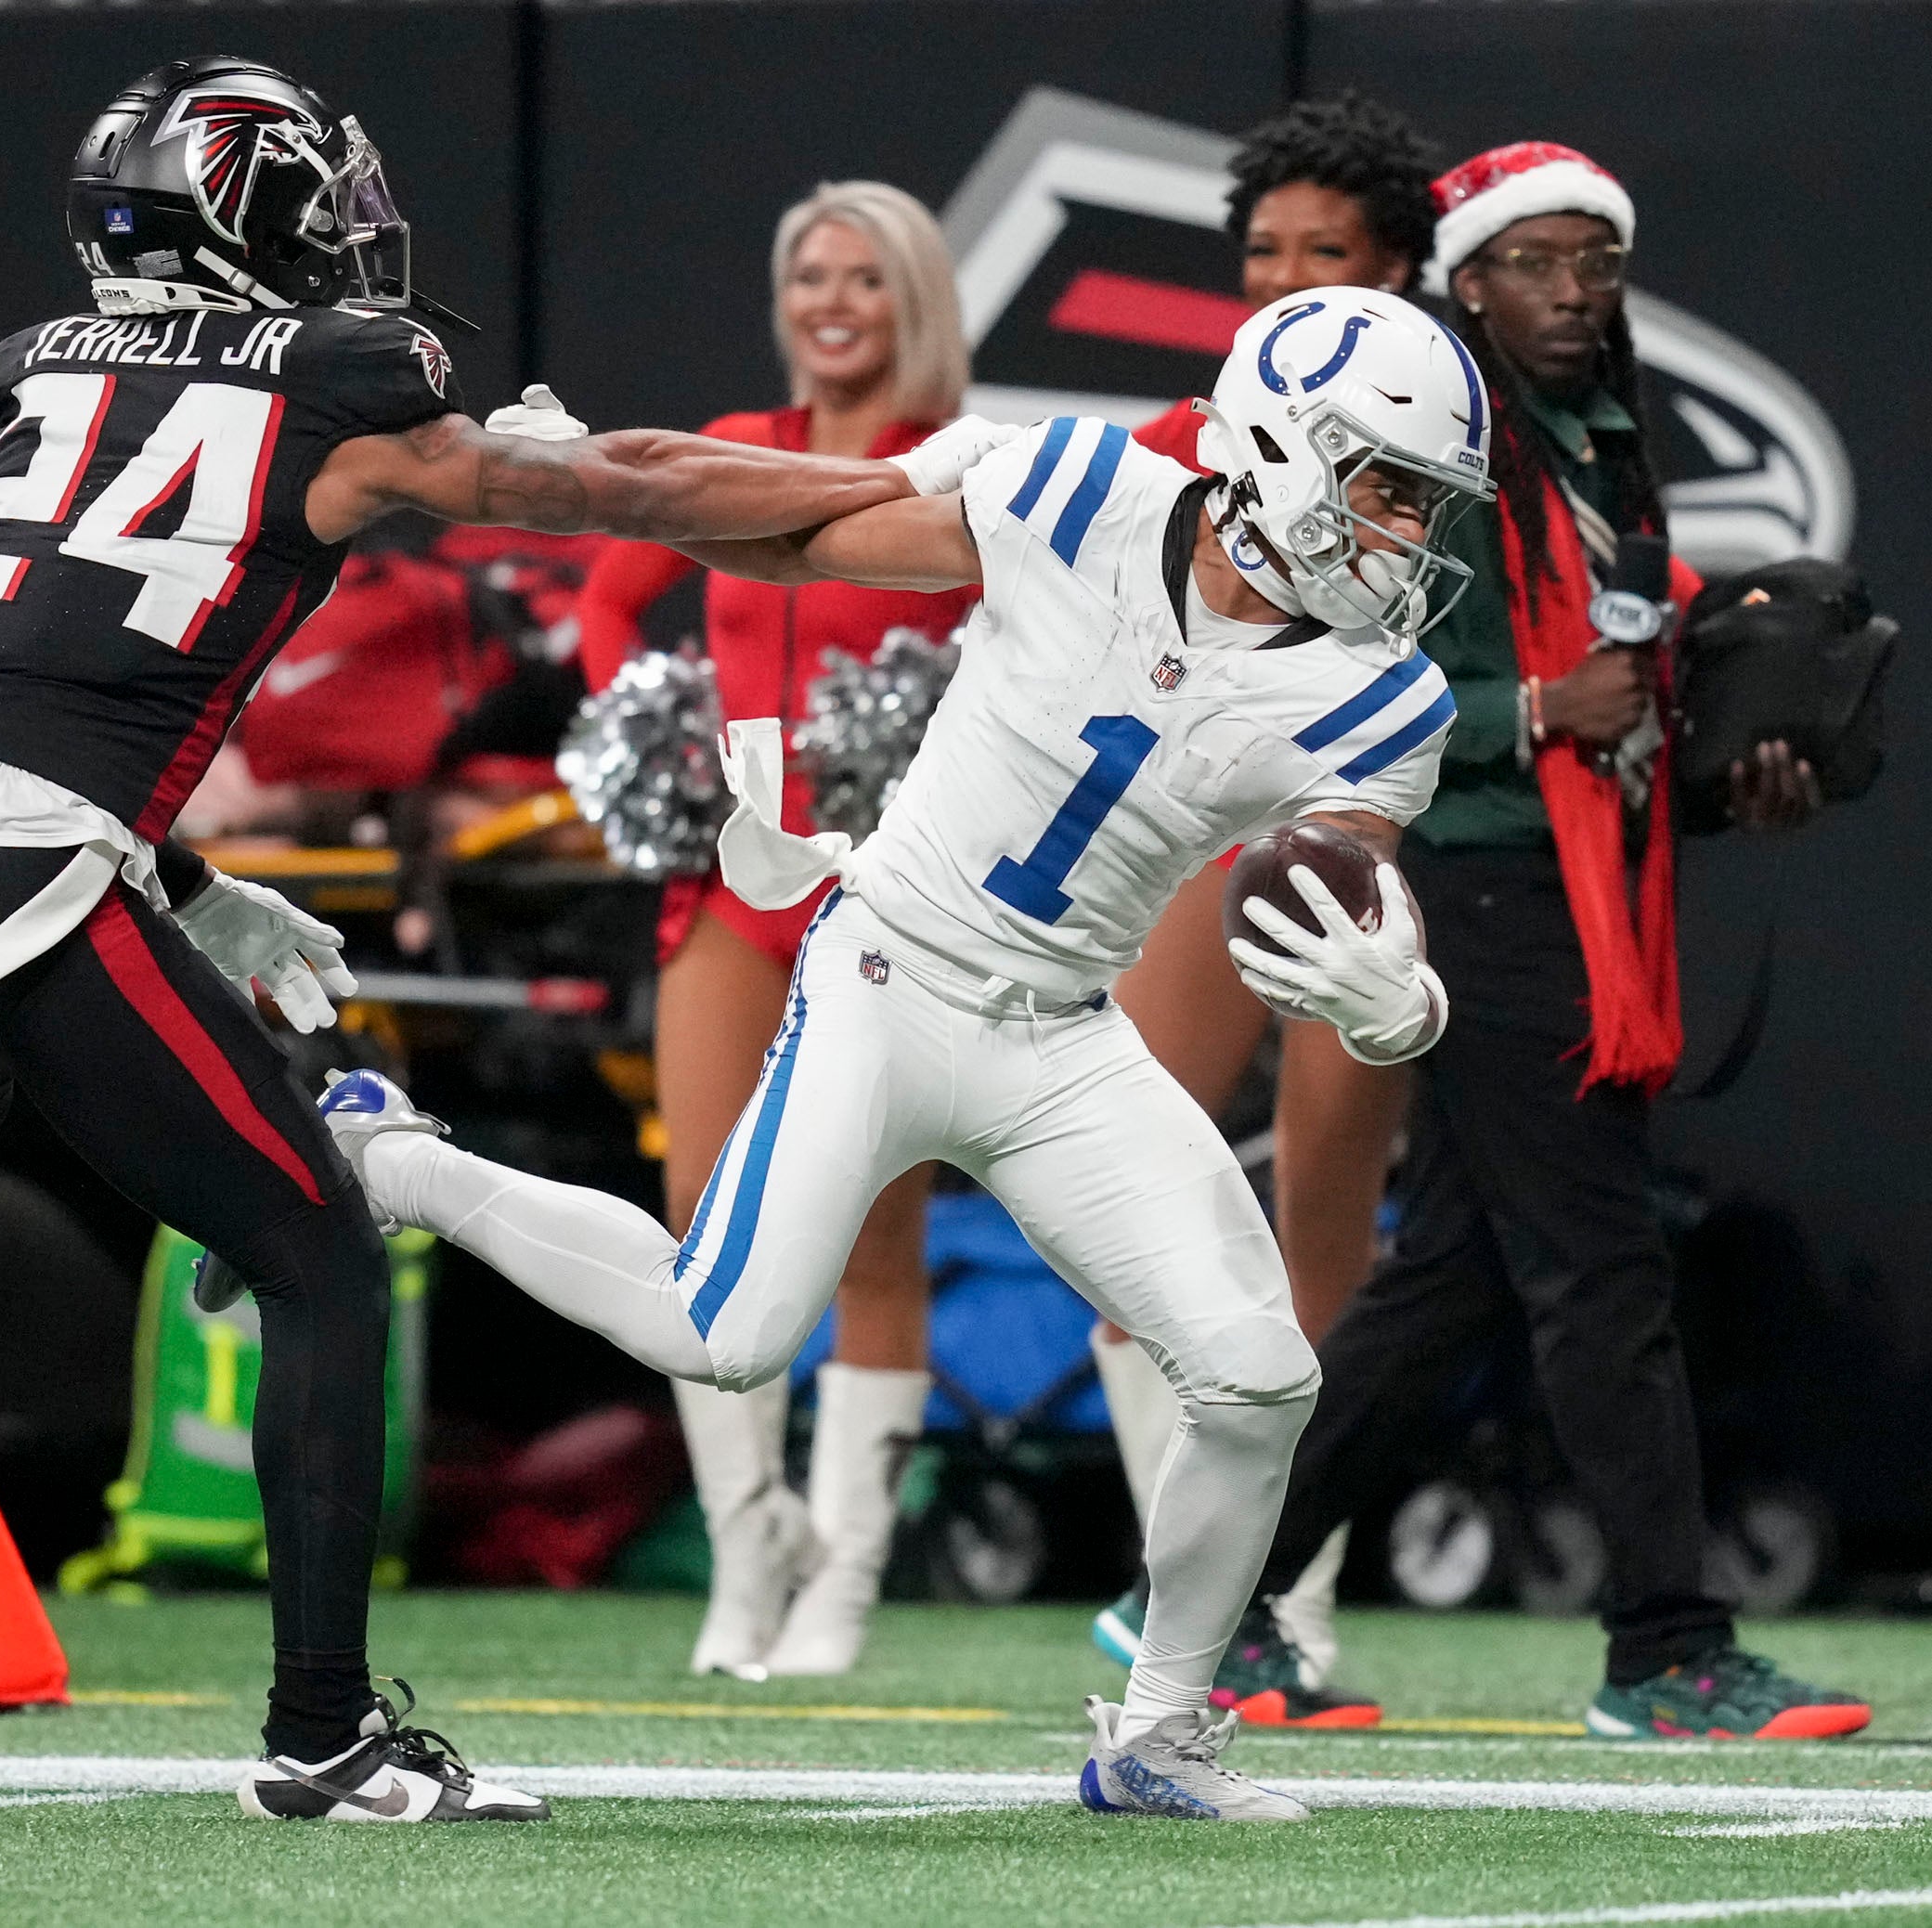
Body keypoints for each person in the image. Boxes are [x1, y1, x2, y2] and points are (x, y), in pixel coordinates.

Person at [0, 57, 1014, 1826]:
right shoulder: (344, 382)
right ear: (254, 210)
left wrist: (187, 883)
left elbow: (63, 645)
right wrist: (913, 492)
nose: (353, 234)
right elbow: (623, 505)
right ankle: (321, 1728)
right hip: (29, 849)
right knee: (315, 1247)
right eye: (322, 201)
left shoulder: (39, 362)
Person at [318, 287, 1495, 1820]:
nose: (1407, 533)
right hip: (888, 971)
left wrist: (1394, 992)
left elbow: (1340, 865)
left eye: (1423, 501)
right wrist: (578, 478)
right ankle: (386, 1156)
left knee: (1259, 1375)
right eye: (1388, 484)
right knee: (720, 1327)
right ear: (1274, 443)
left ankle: (1155, 1737)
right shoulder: (1086, 492)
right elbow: (803, 530)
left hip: (1066, 1037)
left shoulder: (1381, 693)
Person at [1220, 142, 1868, 1741]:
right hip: (1468, 878)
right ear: (1464, 277)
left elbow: (1619, 695)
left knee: (1447, 1279)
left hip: (1564, 882)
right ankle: (1665, 1646)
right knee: (1599, 1270)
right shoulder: (1425, 435)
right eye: (1536, 261)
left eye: (1597, 261)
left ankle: (1212, 1605)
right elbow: (1331, 658)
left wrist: (1721, 767)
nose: (1573, 291)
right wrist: (1537, 709)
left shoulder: (1597, 436)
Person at [573, 181, 979, 1679]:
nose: (829, 302)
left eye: (863, 278)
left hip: (897, 902)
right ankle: (748, 1558)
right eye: (807, 272)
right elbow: (611, 591)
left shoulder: (954, 466)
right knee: (703, 1224)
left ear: (912, 301)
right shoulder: (732, 449)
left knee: (878, 1237)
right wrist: (652, 719)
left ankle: (844, 1588)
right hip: (732, 888)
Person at [1092, 91, 1443, 1718]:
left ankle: (1286, 1604)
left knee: (1324, 1218)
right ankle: (1178, 1592)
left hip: (1356, 832)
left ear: (1398, 273)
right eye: (1263, 253)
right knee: (1127, 1182)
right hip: (1193, 831)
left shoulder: (1440, 450)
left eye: (1328, 252)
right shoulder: (1182, 433)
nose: (1287, 279)